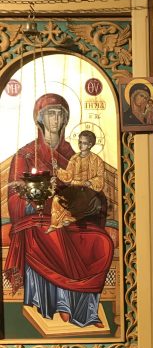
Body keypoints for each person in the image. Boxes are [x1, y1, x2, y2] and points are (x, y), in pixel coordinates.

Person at [6, 93, 114, 329]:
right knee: (55, 236)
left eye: (59, 114)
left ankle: (86, 310)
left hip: (71, 216)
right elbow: (13, 198)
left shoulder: (74, 157)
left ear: (65, 119)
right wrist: (34, 201)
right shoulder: (25, 155)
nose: (55, 119)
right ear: (40, 118)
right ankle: (61, 305)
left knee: (102, 242)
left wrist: (86, 200)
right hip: (37, 218)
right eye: (50, 114)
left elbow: (85, 187)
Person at [47, 129, 105, 233]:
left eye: (84, 143)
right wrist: (57, 168)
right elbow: (68, 176)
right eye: (80, 142)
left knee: (78, 200)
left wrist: (90, 182)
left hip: (88, 189)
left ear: (90, 145)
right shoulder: (74, 158)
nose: (81, 145)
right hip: (74, 187)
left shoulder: (97, 160)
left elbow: (100, 178)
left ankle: (69, 218)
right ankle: (54, 224)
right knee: (57, 199)